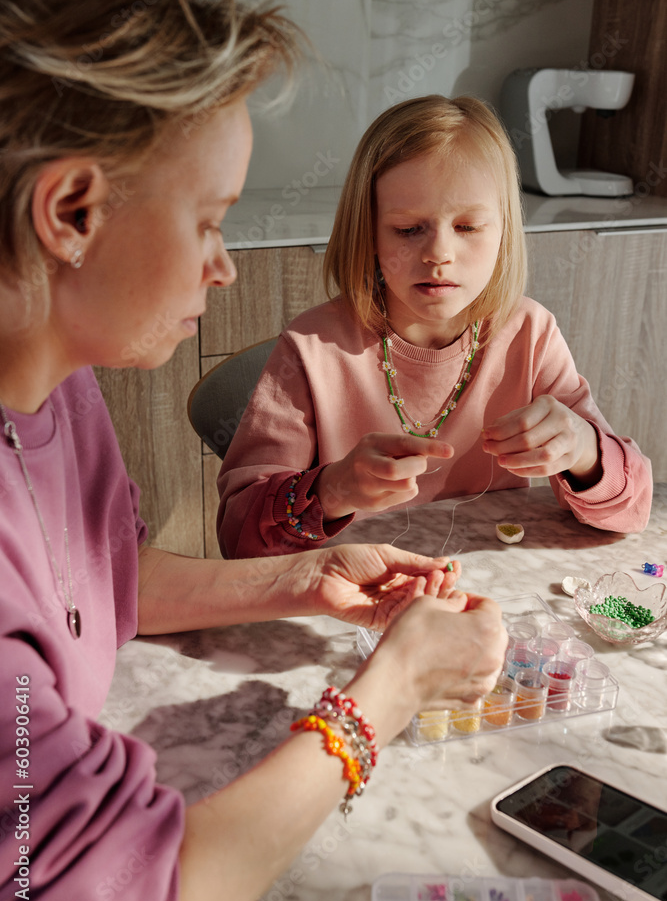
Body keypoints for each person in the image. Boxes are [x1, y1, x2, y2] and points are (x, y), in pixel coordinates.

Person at [0, 0, 509, 901]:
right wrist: (386, 695)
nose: (224, 264)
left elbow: (88, 585)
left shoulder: (53, 382)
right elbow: (137, 891)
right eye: (208, 220)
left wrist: (304, 578)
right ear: (69, 212)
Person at [217, 95, 652, 559]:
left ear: (504, 231)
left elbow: (633, 509)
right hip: (351, 599)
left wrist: (584, 452)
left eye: (467, 227)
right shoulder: (311, 350)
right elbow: (239, 537)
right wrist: (334, 489)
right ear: (368, 232)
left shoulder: (530, 334)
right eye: (408, 229)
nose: (439, 254)